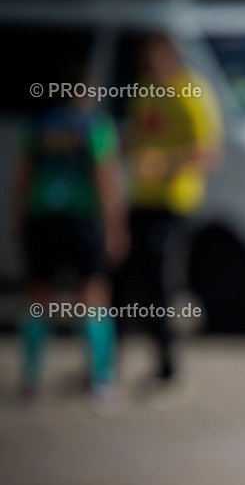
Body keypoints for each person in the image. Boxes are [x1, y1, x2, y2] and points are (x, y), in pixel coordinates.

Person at [12, 71, 129, 406]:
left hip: (42, 218)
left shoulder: (39, 124)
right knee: (93, 294)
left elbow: (22, 173)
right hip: (81, 219)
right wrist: (115, 227)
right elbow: (105, 177)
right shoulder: (94, 125)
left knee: (38, 296)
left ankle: (31, 382)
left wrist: (18, 218)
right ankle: (100, 381)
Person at [117, 33, 222, 380]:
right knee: (124, 279)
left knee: (160, 282)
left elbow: (208, 151)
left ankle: (166, 365)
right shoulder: (144, 89)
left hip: (175, 202)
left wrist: (164, 163)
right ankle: (109, 363)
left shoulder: (191, 91)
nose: (148, 64)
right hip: (141, 199)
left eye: (154, 56)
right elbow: (134, 137)